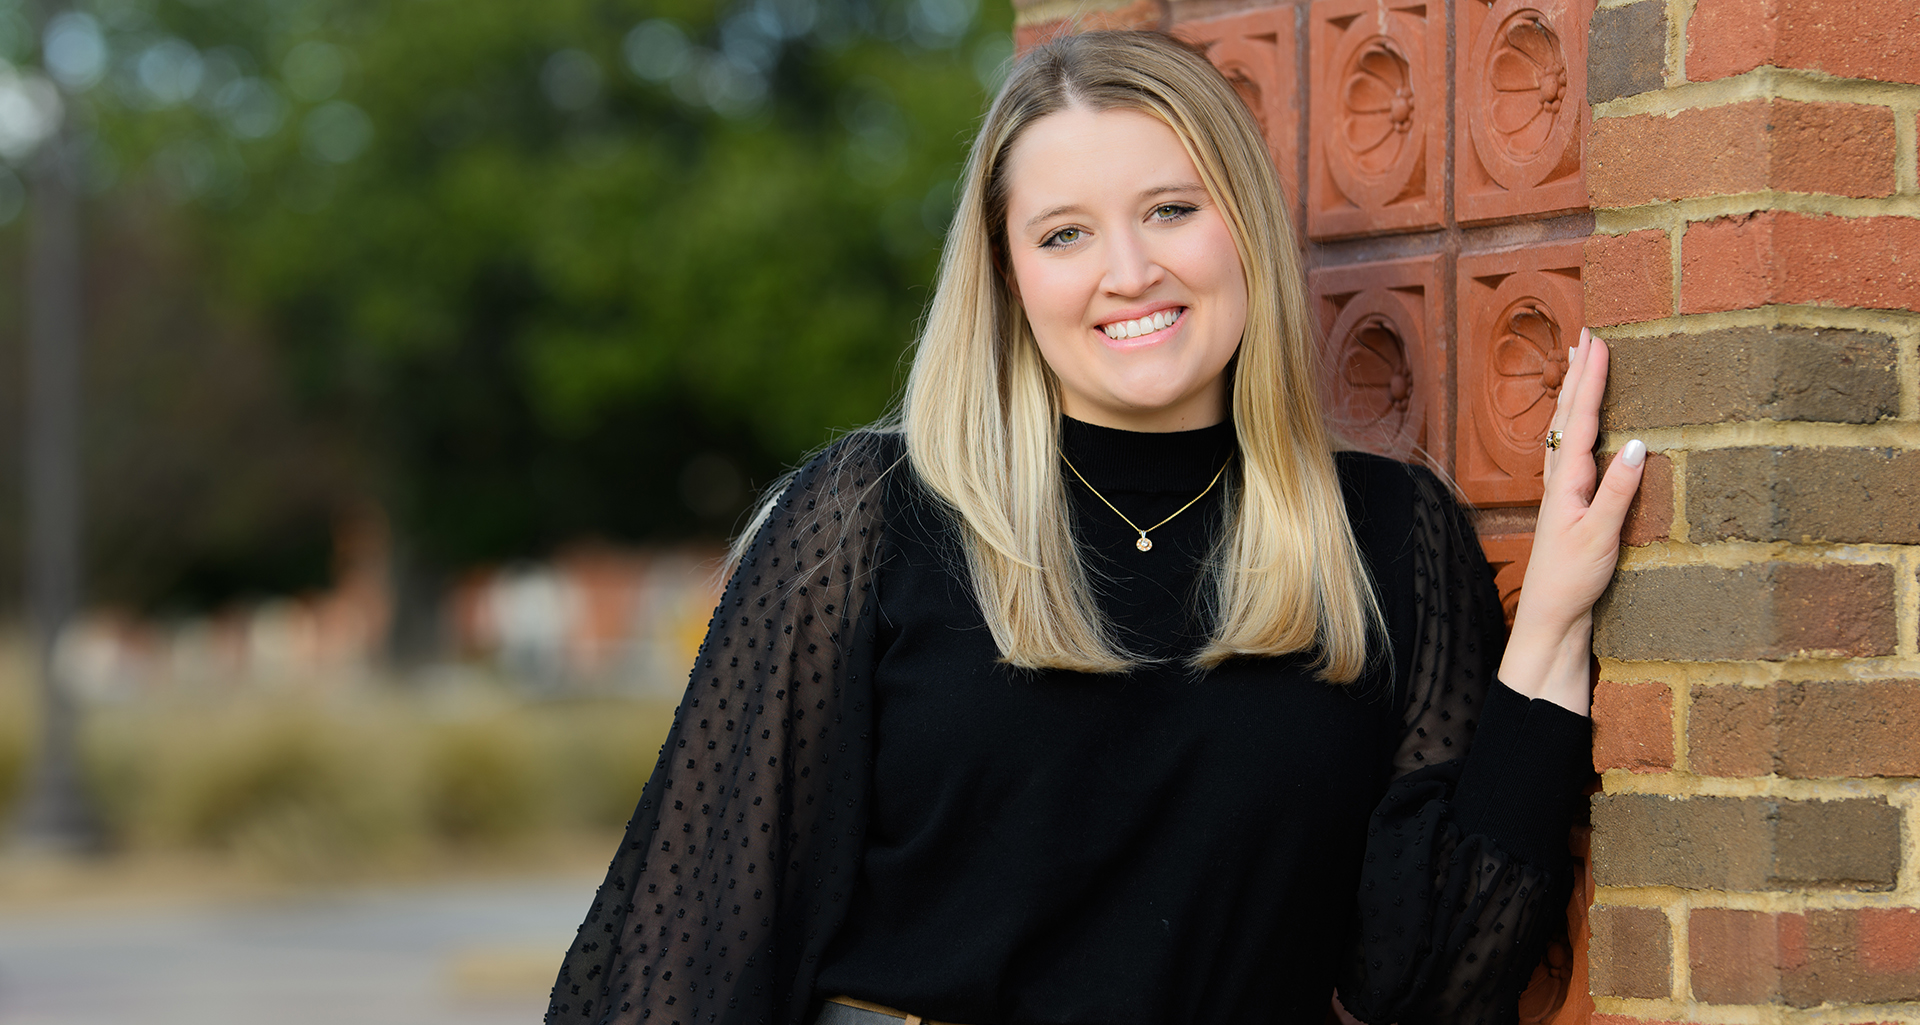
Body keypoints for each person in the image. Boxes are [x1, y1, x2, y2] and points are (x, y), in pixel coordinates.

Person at [547, 29, 1645, 1025]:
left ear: (1245, 226)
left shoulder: (1387, 537)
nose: (1130, 272)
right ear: (1010, 275)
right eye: (1065, 233)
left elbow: (1436, 978)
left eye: (1172, 209)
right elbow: (681, 953)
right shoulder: (871, 520)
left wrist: (1547, 625)